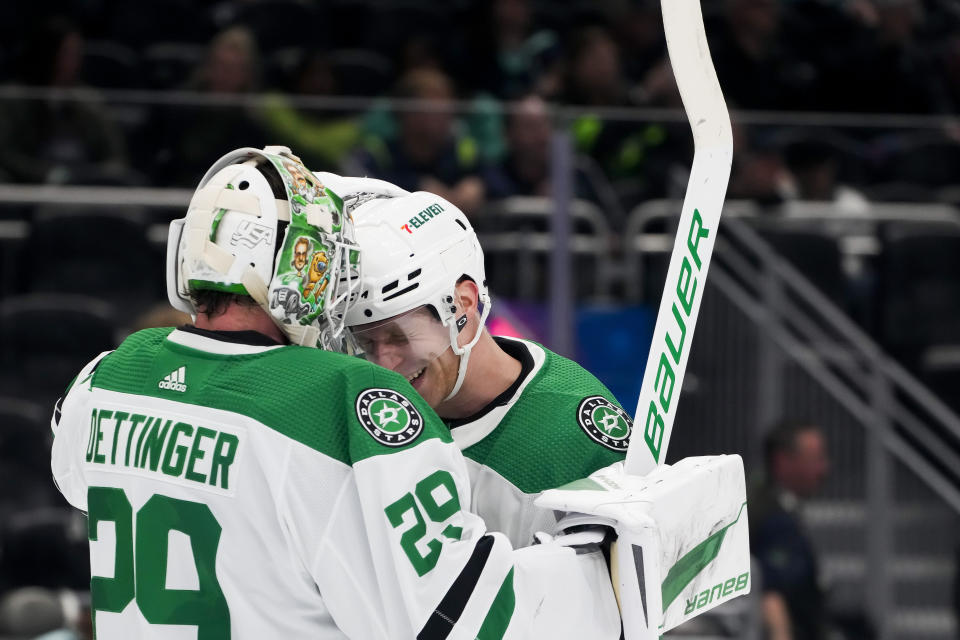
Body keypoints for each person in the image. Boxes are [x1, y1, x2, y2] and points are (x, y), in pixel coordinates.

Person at [50, 146, 621, 639]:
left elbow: (86, 483)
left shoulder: (105, 377)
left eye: (395, 333)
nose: (382, 361)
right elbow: (460, 618)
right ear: (305, 269)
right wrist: (606, 573)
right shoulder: (338, 403)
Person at [341, 188, 633, 546]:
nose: (383, 364)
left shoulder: (573, 442)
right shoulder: (354, 401)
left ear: (463, 304)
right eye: (366, 342)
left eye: (400, 337)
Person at [749, 420, 831, 640]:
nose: (824, 470)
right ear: (783, 461)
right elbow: (770, 593)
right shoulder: (774, 519)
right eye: (815, 460)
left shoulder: (779, 506)